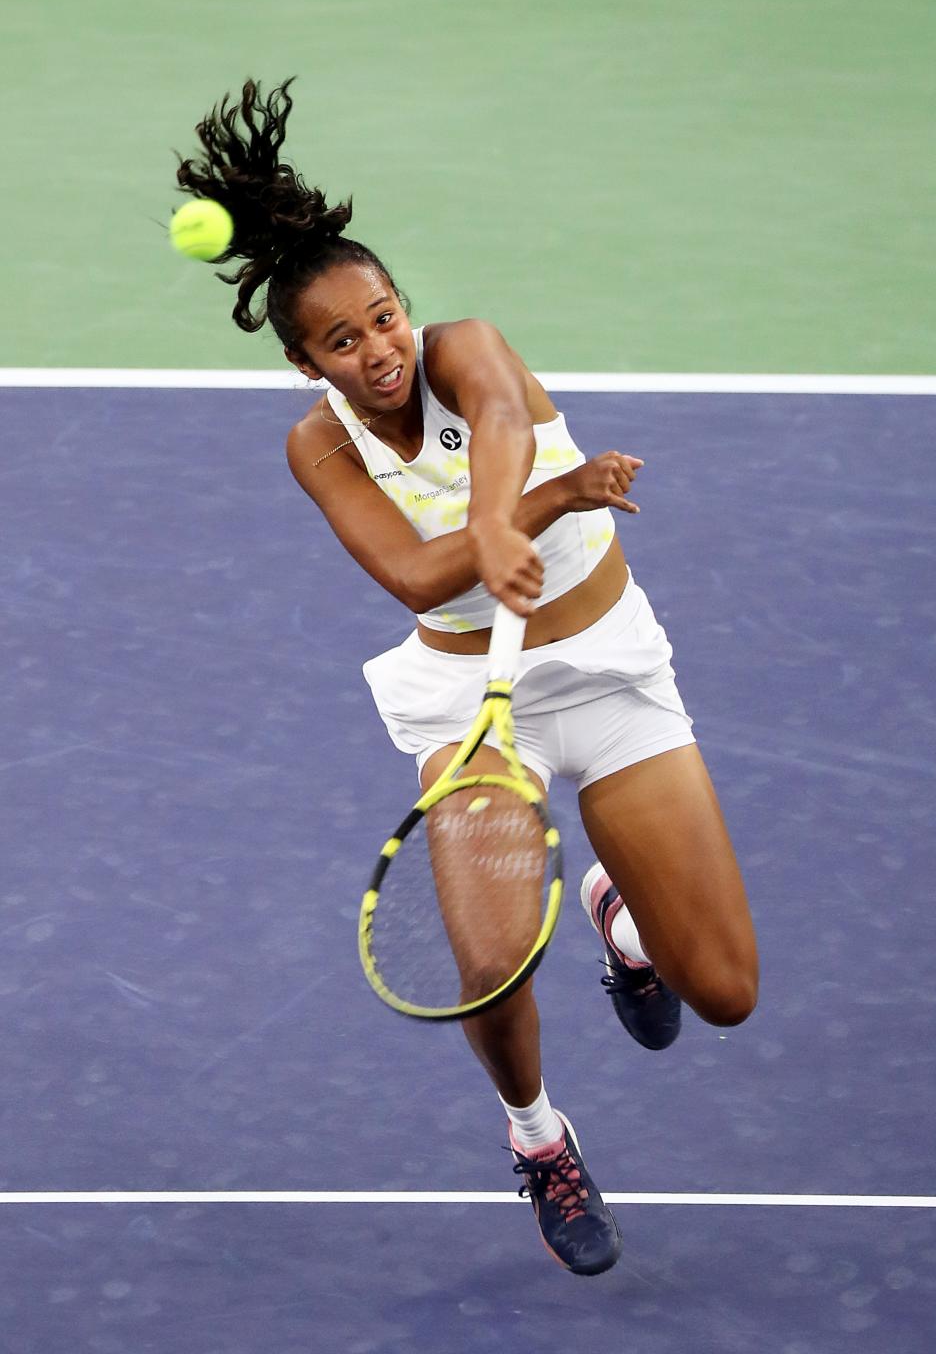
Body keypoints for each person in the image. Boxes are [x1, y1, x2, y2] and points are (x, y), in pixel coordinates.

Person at [176, 79, 759, 1277]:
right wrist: (543, 505)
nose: (379, 349)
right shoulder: (319, 445)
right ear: (304, 365)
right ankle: (539, 1137)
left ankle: (623, 923)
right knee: (490, 964)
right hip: (471, 701)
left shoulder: (468, 348)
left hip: (609, 677)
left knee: (727, 990)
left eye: (384, 318)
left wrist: (498, 513)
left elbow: (495, 422)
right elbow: (416, 578)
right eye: (343, 341)